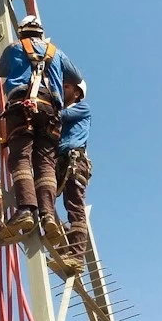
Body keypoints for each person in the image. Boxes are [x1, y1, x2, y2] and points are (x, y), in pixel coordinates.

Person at [0, 15, 82, 241]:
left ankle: (26, 210)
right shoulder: (57, 53)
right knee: (45, 164)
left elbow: (0, 71)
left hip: (21, 107)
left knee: (21, 157)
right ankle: (48, 215)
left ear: (22, 31)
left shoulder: (14, 47)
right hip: (51, 112)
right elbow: (76, 76)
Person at [54, 79, 92, 272]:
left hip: (75, 160)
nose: (62, 89)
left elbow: (61, 115)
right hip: (61, 161)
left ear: (77, 93)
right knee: (43, 199)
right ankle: (65, 243)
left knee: (74, 206)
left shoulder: (82, 108)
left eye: (66, 87)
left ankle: (76, 256)